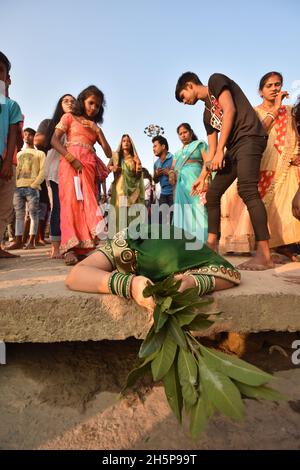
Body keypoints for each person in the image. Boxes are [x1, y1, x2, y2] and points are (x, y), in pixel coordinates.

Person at [175, 72, 273, 270]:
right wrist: (203, 176)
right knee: (212, 194)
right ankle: (212, 246)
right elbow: (211, 151)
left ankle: (265, 255)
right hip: (234, 147)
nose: (184, 103)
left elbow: (230, 110)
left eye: (183, 97)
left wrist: (221, 151)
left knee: (247, 189)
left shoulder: (215, 81)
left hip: (250, 136)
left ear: (190, 84)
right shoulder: (206, 116)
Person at [65, 224, 241, 310]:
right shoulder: (128, 245)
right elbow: (76, 276)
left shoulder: (194, 252)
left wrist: (192, 283)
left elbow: (230, 274)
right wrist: (131, 285)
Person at [220, 72, 300, 260]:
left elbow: (296, 134)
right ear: (260, 91)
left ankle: (287, 244)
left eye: (277, 84)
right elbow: (257, 131)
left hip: (286, 163)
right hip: (261, 161)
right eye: (269, 85)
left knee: (285, 203)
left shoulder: (289, 111)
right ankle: (270, 246)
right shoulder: (254, 112)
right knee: (265, 204)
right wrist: (276, 108)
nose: (274, 88)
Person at [51, 85, 112, 265]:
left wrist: (98, 131)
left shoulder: (94, 127)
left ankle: (82, 247)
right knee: (70, 203)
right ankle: (68, 248)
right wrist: (71, 158)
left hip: (88, 168)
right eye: (91, 103)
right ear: (82, 101)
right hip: (70, 165)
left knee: (86, 206)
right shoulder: (69, 117)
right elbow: (53, 140)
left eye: (98, 106)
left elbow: (108, 153)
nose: (94, 108)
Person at [35, 94, 76, 258]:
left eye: (73, 101)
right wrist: (56, 136)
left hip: (72, 172)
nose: (70, 103)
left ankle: (71, 244)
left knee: (71, 209)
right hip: (55, 172)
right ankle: (56, 247)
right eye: (66, 101)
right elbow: (38, 141)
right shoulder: (49, 123)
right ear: (60, 105)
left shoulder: (77, 124)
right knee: (57, 208)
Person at [0, 51, 23, 258]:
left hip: (5, 162)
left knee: (5, 207)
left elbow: (14, 136)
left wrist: (8, 162)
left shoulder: (11, 106)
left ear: (7, 78)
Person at [8, 128, 45, 250]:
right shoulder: (18, 154)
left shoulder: (39, 153)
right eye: (25, 134)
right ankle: (18, 241)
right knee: (19, 215)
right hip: (18, 187)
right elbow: (15, 170)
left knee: (33, 215)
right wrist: (15, 185)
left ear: (34, 137)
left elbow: (43, 171)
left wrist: (34, 184)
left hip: (32, 188)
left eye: (30, 135)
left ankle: (31, 241)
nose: (27, 137)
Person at [170, 123, 208, 242]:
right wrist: (171, 174)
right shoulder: (177, 153)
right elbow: (172, 168)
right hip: (181, 184)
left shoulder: (199, 144)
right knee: (182, 210)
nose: (183, 136)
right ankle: (183, 241)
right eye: (180, 134)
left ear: (191, 133)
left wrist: (205, 180)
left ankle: (202, 240)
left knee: (199, 208)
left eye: (185, 132)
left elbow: (208, 162)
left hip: (196, 180)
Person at [108, 134, 144, 235]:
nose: (126, 143)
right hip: (119, 189)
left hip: (132, 190)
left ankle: (132, 237)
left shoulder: (135, 158)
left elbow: (138, 176)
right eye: (124, 141)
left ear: (131, 144)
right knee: (120, 213)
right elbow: (106, 169)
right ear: (121, 143)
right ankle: (120, 237)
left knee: (131, 213)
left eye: (128, 141)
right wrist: (113, 168)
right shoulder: (115, 156)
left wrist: (138, 165)